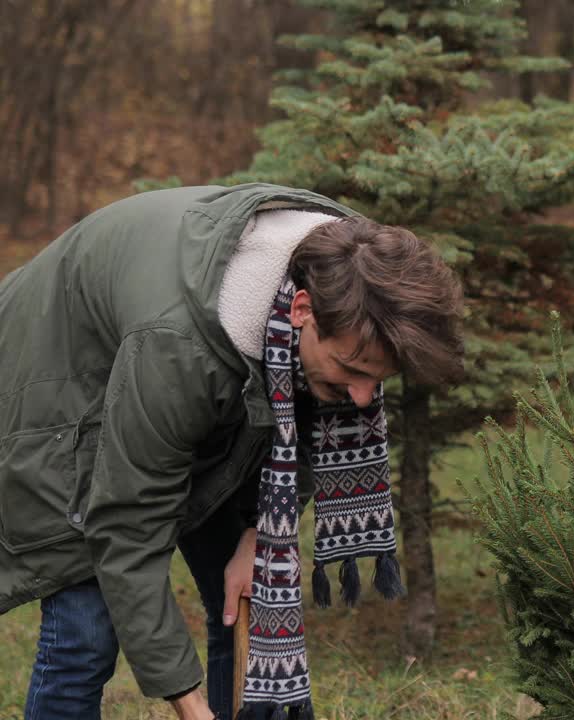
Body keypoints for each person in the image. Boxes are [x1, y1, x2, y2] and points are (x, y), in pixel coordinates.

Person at [0, 184, 464, 719]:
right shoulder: (179, 346)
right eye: (354, 373)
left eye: (377, 381)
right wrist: (189, 704)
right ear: (303, 312)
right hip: (59, 387)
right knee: (85, 630)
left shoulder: (356, 275)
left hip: (191, 381)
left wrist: (259, 533)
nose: (364, 399)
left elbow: (319, 423)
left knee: (248, 597)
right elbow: (129, 524)